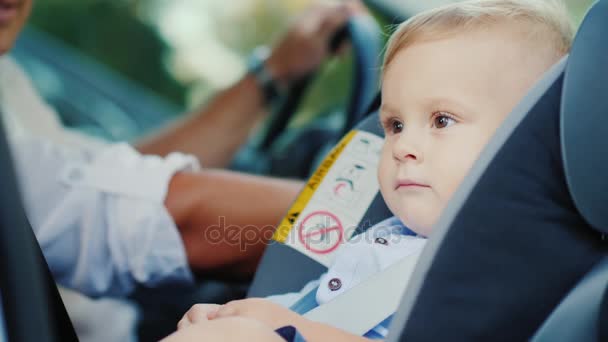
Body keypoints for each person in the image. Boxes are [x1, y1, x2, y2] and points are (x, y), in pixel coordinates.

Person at [169, 0, 574, 340]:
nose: (402, 147)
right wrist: (244, 314)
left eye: (441, 120)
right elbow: (318, 305)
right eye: (395, 125)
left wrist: (283, 327)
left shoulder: (499, 273)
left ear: (527, 144)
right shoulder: (390, 238)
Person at [0, 0, 363, 340]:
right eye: (397, 125)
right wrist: (368, 216)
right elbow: (175, 220)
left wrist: (273, 74)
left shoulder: (9, 81)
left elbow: (115, 176)